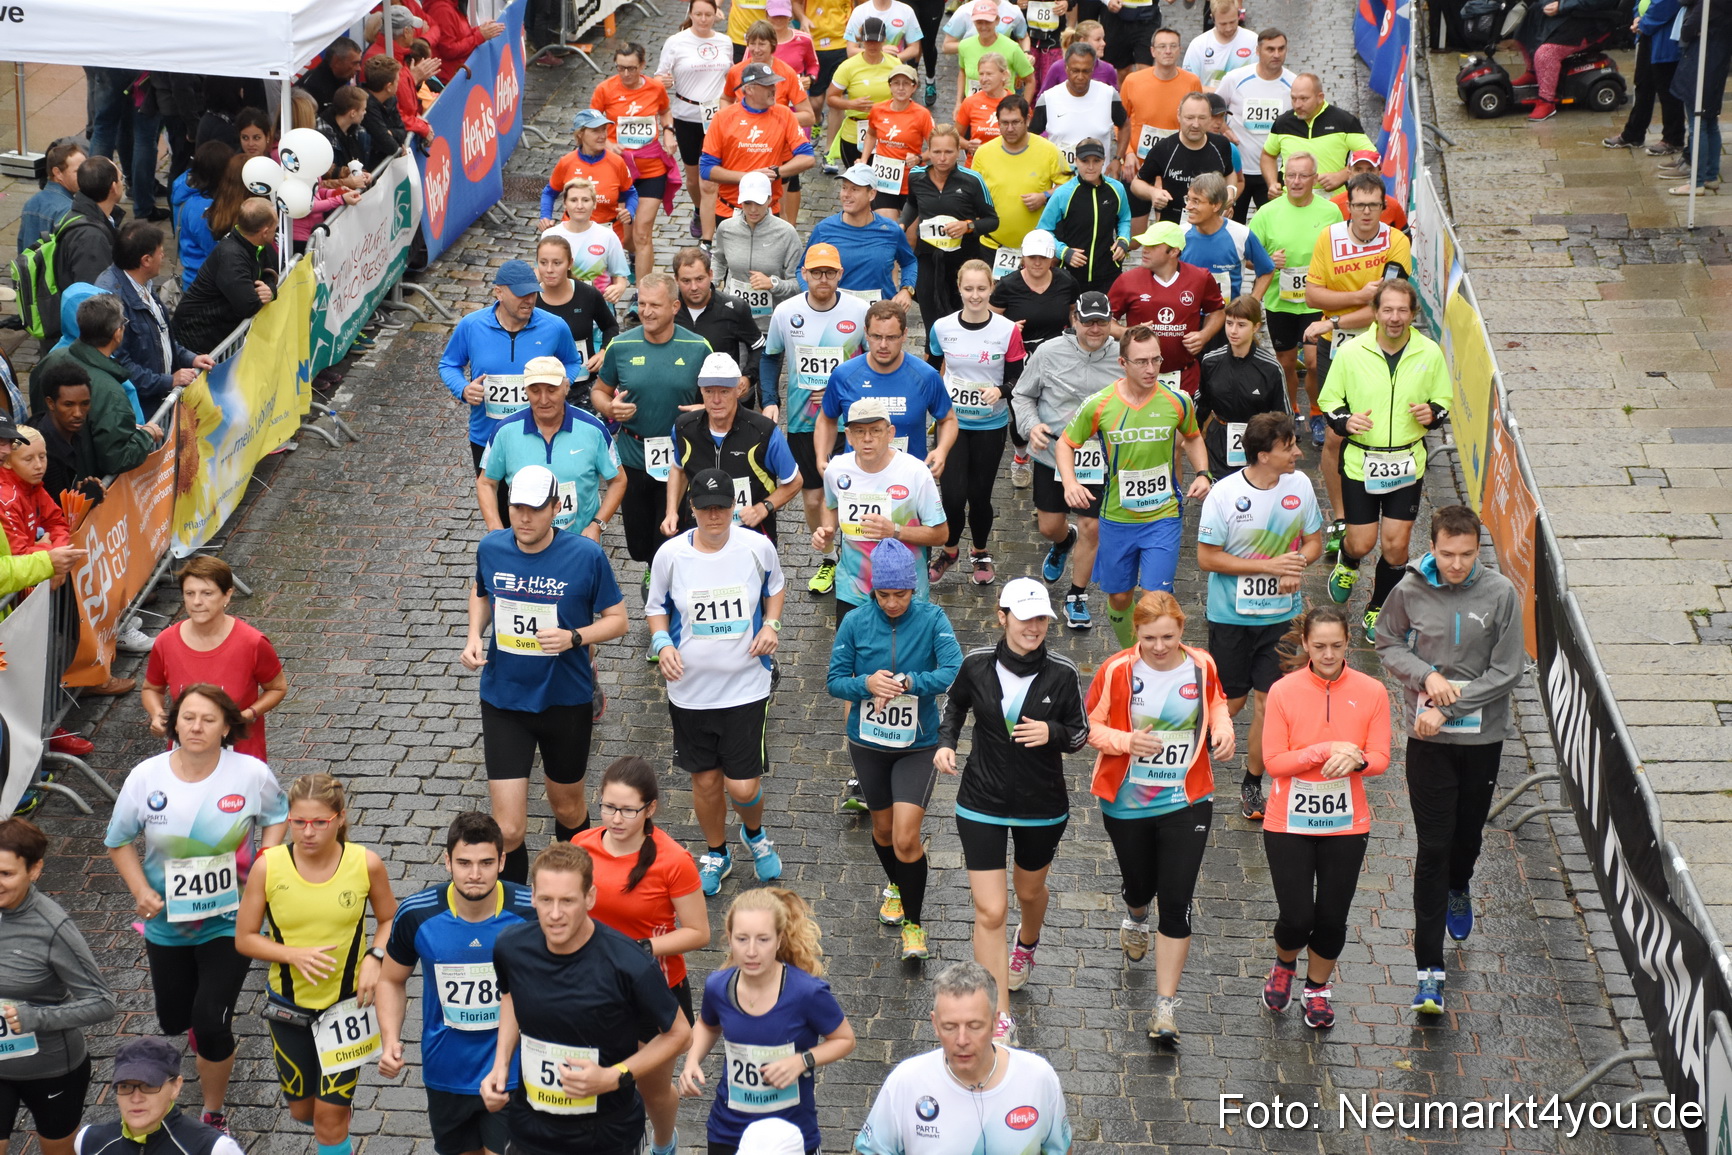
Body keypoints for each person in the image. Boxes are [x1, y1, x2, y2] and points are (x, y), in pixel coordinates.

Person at [105, 684, 284, 1133]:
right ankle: (203, 1028)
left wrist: (265, 860)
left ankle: (212, 1113)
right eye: (187, 717)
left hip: (231, 920)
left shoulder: (250, 773)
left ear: (227, 726)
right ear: (173, 722)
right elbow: (118, 841)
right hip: (168, 925)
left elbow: (277, 815)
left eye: (208, 719)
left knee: (210, 1022)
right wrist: (141, 891)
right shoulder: (147, 777)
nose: (196, 727)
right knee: (175, 1017)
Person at [1375, 505, 1527, 1014]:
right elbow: (1387, 641)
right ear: (1431, 547)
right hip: (1429, 743)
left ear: (1478, 549)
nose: (1457, 564)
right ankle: (1429, 971)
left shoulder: (1501, 594)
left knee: (1467, 838)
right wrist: (1424, 677)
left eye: (1467, 555)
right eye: (1447, 554)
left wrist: (1451, 706)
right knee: (1433, 847)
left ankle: (1461, 885)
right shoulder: (1410, 589)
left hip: (1481, 740)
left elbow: (1508, 671)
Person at [935, 579, 1087, 1045]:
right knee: (990, 908)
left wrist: (1052, 734)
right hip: (980, 802)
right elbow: (955, 707)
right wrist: (945, 744)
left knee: (1029, 890)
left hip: (1041, 808)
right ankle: (998, 1011)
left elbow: (1080, 734)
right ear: (1002, 618)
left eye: (1042, 619)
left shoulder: (1062, 674)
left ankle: (1028, 944)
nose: (1035, 628)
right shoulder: (976, 664)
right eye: (1025, 619)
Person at [462, 466, 630, 882]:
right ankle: (518, 915)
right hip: (504, 699)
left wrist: (574, 637)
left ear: (556, 508)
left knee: (568, 808)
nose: (523, 518)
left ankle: (575, 892)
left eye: (535, 509)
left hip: (565, 699)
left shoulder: (585, 555)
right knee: (510, 829)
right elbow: (482, 593)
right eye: (517, 507)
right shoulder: (492, 548)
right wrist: (473, 635)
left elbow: (618, 620)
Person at [1084, 591, 1233, 1041]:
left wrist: (1223, 728)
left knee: (1177, 899)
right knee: (1140, 885)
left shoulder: (1202, 664)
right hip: (1126, 801)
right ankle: (1134, 914)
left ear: (1182, 630)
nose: (1160, 646)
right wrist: (1127, 742)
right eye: (1150, 638)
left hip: (1186, 799)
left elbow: (1219, 701)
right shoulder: (1116, 670)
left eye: (1168, 636)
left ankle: (1165, 1007)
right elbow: (1088, 726)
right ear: (1137, 633)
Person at [479, 843, 693, 1155]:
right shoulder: (511, 947)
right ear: (533, 896)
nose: (554, 914)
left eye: (567, 901)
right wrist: (500, 1065)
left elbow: (680, 1035)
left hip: (606, 1134)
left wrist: (612, 1077)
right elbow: (510, 996)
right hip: (531, 1128)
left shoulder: (628, 963)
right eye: (546, 900)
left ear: (589, 897)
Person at [234, 773, 397, 1152]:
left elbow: (390, 919)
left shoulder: (365, 864)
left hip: (346, 1009)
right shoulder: (268, 866)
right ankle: (336, 1116)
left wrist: (375, 956)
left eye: (320, 822)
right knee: (302, 1111)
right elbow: (244, 938)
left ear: (340, 818)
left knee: (327, 1120)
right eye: (298, 822)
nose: (308, 832)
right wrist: (292, 954)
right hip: (288, 1009)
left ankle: (336, 1120)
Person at [648, 467, 787, 893]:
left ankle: (755, 833)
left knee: (743, 785)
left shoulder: (756, 547)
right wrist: (661, 643)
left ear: (733, 507)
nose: (714, 517)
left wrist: (772, 626)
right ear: (691, 509)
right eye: (706, 508)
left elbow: (775, 588)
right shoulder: (670, 555)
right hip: (689, 691)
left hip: (746, 685)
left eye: (722, 508)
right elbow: (656, 607)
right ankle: (717, 851)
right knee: (706, 780)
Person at [826, 538, 962, 952]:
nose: (891, 603)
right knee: (883, 832)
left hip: (918, 744)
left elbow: (954, 669)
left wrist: (908, 683)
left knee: (905, 837)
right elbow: (834, 681)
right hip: (867, 744)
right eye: (883, 595)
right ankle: (896, 883)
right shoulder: (855, 623)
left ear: (914, 588)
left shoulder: (933, 618)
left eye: (900, 594)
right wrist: (866, 684)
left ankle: (914, 925)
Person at [1259, 607, 1391, 1030]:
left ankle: (1317, 989)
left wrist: (1355, 760)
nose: (1329, 654)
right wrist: (1326, 749)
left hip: (1346, 824)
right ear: (1305, 645)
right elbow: (1275, 762)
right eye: (1319, 646)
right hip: (1288, 821)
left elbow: (1381, 758)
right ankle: (1284, 964)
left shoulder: (1372, 691)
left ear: (1349, 642)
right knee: (1297, 917)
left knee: (1332, 917)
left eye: (1336, 645)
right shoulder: (1283, 691)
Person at [375, 812, 534, 1155]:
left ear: (503, 861)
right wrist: (390, 1039)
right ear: (447, 861)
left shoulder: (531, 913)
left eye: (486, 863)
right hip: (445, 1071)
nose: (475, 874)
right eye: (464, 863)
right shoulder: (417, 915)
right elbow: (390, 980)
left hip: (512, 1072)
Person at [575, 758, 710, 1155]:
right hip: (593, 988)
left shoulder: (673, 861)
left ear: (650, 808)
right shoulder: (581, 846)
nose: (615, 819)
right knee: (595, 1082)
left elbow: (699, 932)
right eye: (608, 807)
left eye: (628, 810)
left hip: (654, 991)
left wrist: (643, 949)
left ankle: (664, 1145)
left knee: (652, 1092)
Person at [1195, 410, 1321, 826]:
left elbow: (1315, 541)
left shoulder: (1299, 486)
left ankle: (1252, 782)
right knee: (1231, 703)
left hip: (1282, 619)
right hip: (1231, 616)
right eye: (1289, 448)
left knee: (1270, 703)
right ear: (1263, 455)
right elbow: (1206, 557)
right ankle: (1190, 762)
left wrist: (1297, 565)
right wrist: (1270, 568)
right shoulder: (1225, 494)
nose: (1298, 455)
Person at [1056, 324, 1212, 649]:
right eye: (1141, 362)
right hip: (1117, 517)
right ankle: (1130, 650)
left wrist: (1202, 473)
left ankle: (1149, 656)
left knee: (1156, 598)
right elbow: (1065, 444)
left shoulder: (1177, 401)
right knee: (1119, 596)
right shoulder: (1099, 404)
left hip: (1164, 515)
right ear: (1122, 363)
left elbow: (1194, 437)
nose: (1151, 369)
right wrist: (1070, 482)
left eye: (1156, 360)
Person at [678, 889, 856, 1155]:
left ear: (779, 939)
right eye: (742, 939)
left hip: (790, 1135)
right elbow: (707, 1024)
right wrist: (692, 1061)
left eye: (763, 939)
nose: (751, 951)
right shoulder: (718, 985)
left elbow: (845, 1039)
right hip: (729, 1131)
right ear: (729, 938)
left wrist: (801, 1060)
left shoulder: (807, 993)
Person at [1318, 279, 1448, 642]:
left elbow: (1443, 400)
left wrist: (1432, 414)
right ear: (1375, 312)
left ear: (1412, 314)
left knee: (1395, 546)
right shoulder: (1351, 353)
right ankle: (1348, 561)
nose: (1395, 318)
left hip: (1407, 462)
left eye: (1402, 310)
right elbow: (1330, 402)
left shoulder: (1429, 353)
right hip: (1362, 462)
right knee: (1362, 542)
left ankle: (1379, 608)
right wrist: (1346, 421)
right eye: (1387, 310)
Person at [854, 962, 1072, 1154]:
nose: (962, 1040)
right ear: (935, 1023)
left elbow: (1060, 1149)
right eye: (949, 1027)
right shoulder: (906, 1082)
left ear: (996, 1023)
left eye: (974, 1026)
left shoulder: (1038, 1078)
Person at [0, 817, 116, 1155]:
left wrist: (35, 1017)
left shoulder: (53, 927)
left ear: (34, 870)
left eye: (7, 874)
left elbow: (103, 1003)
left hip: (51, 1070)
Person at [759, 243, 870, 594]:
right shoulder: (786, 312)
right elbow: (770, 357)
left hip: (850, 422)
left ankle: (856, 554)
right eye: (816, 272)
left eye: (830, 272)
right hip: (803, 421)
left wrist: (843, 393)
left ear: (840, 274)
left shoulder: (859, 310)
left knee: (852, 492)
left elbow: (874, 363)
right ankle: (829, 558)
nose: (823, 279)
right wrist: (769, 400)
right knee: (812, 498)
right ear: (803, 274)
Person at [1303, 172, 1412, 527]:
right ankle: (1340, 516)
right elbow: (1313, 295)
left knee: (1379, 427)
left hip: (1383, 345)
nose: (1366, 213)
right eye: (1359, 205)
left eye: (1373, 206)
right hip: (1335, 347)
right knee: (1335, 434)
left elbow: (1390, 309)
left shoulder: (1396, 242)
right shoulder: (1328, 237)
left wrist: (1335, 320)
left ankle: (1381, 504)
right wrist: (1359, 297)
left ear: (1384, 207)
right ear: (1348, 206)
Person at [591, 273, 712, 578]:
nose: (646, 312)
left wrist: (706, 407)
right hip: (633, 454)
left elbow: (724, 394)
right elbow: (599, 392)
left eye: (655, 305)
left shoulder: (697, 347)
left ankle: (663, 579)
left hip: (680, 456)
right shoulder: (621, 346)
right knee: (638, 541)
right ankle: (650, 563)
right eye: (642, 304)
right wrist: (610, 407)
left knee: (671, 529)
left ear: (674, 306)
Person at [1013, 292, 1118, 628]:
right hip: (1052, 453)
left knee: (1092, 526)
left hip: (1098, 456)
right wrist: (1032, 427)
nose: (1095, 328)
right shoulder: (1048, 352)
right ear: (1075, 320)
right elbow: (1022, 394)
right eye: (1088, 321)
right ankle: (1062, 541)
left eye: (1102, 321)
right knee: (1049, 526)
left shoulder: (1122, 357)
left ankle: (1077, 595)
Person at [926, 260, 1023, 586]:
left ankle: (980, 551)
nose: (975, 295)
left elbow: (1016, 378)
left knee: (979, 497)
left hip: (989, 426)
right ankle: (950, 550)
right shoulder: (942, 328)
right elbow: (932, 368)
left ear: (991, 288)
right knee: (952, 496)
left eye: (982, 288)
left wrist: (1000, 390)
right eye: (969, 288)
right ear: (960, 288)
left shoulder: (1007, 330)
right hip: (952, 423)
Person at [440, 260, 586, 473]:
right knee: (493, 501)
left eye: (533, 293)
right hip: (487, 436)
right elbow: (449, 364)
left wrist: (563, 384)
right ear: (499, 292)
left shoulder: (555, 326)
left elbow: (572, 362)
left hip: (539, 435)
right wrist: (463, 388)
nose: (529, 300)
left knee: (537, 503)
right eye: (521, 294)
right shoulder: (471, 325)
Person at [811, 398, 949, 622]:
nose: (867, 439)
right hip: (853, 590)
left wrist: (895, 531)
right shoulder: (836, 469)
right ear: (848, 436)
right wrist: (827, 529)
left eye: (875, 430)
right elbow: (832, 506)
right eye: (859, 431)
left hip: (905, 592)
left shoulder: (915, 472)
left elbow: (941, 534)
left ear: (890, 433)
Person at [141, 559, 286, 762]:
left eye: (207, 593)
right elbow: (151, 688)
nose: (197, 602)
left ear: (227, 594)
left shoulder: (252, 643)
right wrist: (157, 714)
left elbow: (277, 688)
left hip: (239, 754)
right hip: (186, 756)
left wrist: (247, 715)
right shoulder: (166, 641)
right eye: (189, 593)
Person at [479, 356, 624, 539]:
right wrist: (495, 530)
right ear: (525, 391)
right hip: (526, 546)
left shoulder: (593, 430)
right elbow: (486, 482)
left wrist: (597, 525)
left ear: (566, 388)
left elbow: (618, 480)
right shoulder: (505, 431)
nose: (544, 399)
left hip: (578, 545)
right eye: (535, 391)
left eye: (551, 390)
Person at [665, 353, 801, 542]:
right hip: (700, 533)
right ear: (701, 392)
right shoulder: (683, 428)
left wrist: (764, 508)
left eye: (724, 391)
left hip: (752, 535)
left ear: (738, 390)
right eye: (709, 391)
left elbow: (794, 481)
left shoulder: (764, 432)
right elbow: (678, 469)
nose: (716, 400)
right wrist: (671, 511)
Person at [1246, 151, 1339, 426]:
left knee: (1312, 362)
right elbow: (1249, 258)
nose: (1296, 181)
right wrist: (1268, 261)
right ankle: (1291, 410)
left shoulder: (1330, 211)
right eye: (1290, 175)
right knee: (1285, 363)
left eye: (1303, 176)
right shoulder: (1267, 212)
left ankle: (1317, 411)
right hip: (1280, 300)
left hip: (1316, 301)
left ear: (1314, 179)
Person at [31, 293, 161, 478]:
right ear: (117, 333)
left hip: (46, 473)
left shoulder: (52, 358)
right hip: (81, 491)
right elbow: (116, 458)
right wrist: (146, 435)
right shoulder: (111, 392)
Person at [816, 302, 955, 473]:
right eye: (876, 336)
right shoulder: (844, 375)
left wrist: (941, 451)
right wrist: (822, 457)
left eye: (891, 337)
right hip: (857, 478)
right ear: (866, 333)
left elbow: (948, 419)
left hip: (908, 479)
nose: (883, 345)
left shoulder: (926, 376)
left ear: (904, 335)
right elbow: (826, 419)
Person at [95, 222, 214, 415]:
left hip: (154, 402)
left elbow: (160, 337)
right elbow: (120, 366)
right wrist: (169, 381)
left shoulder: (144, 284)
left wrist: (191, 358)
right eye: (160, 252)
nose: (164, 256)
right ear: (146, 260)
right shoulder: (113, 302)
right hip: (140, 411)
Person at [72, 1036, 246, 1155]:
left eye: (149, 1085)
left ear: (176, 1086)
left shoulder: (214, 1149)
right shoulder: (87, 1141)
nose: (136, 1098)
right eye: (125, 1086)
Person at [1108, 221, 1222, 397]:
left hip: (1185, 377)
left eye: (1153, 246)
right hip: (1137, 379)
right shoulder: (1127, 280)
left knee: (1187, 424)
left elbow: (1217, 311)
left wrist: (1204, 335)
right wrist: (1128, 332)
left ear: (1174, 251)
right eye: (1145, 244)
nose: (1144, 249)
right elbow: (1105, 321)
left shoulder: (1200, 277)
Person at [702, 61, 815, 238]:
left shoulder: (784, 114)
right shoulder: (723, 118)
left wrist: (777, 172)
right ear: (749, 89)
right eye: (767, 84)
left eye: (774, 83)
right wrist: (749, 178)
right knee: (733, 265)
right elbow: (707, 169)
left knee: (769, 265)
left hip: (769, 210)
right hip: (731, 211)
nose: (774, 89)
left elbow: (807, 157)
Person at [593, 43, 674, 281]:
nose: (626, 74)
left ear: (642, 65)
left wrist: (668, 131)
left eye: (631, 69)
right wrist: (607, 143)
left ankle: (642, 296)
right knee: (626, 237)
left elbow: (665, 110)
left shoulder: (656, 88)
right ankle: (632, 256)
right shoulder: (604, 89)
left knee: (642, 233)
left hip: (651, 169)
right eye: (621, 68)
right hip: (619, 172)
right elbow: (591, 124)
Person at [656, 0, 733, 242]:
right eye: (698, 14)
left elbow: (731, 75)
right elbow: (658, 77)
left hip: (718, 116)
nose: (703, 19)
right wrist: (662, 81)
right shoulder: (676, 42)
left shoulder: (725, 41)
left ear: (716, 15)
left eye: (707, 14)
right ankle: (700, 210)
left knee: (714, 172)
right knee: (693, 176)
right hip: (686, 115)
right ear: (690, 14)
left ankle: (718, 215)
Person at [170, 196, 277, 355]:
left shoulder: (257, 245)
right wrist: (267, 292)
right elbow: (247, 305)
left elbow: (270, 270)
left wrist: (270, 289)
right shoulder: (231, 256)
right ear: (265, 231)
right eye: (275, 227)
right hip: (197, 340)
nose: (276, 231)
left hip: (220, 335)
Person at [1196, 296, 1288, 480]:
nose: (1233, 331)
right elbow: (1201, 404)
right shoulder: (1210, 361)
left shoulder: (1270, 368)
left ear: (1256, 327)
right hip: (1219, 442)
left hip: (1258, 444)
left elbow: (1283, 417)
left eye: (1241, 325)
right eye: (1229, 323)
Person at [1118, 29, 1204, 224]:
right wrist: (1128, 153)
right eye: (1162, 46)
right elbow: (1119, 123)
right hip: (1138, 165)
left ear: (1180, 50)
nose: (1168, 51)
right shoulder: (1132, 81)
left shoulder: (1191, 82)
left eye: (1173, 46)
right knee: (1133, 238)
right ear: (1152, 51)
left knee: (1170, 230)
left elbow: (1199, 123)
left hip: (1176, 168)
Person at [802, 165, 918, 306]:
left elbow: (909, 262)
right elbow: (802, 267)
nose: (846, 194)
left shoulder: (891, 230)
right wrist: (811, 295)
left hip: (880, 316)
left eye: (854, 189)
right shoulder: (824, 229)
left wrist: (906, 289)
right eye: (844, 188)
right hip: (837, 313)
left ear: (872, 194)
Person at [972, 95, 1066, 269]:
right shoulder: (983, 154)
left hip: (1036, 249)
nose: (1009, 128)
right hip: (992, 244)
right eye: (1004, 123)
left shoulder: (1049, 151)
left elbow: (1068, 188)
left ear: (1028, 120)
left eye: (1016, 122)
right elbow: (972, 194)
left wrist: (1044, 196)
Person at [1214, 27, 1293, 218]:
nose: (1276, 54)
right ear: (1257, 51)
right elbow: (1213, 108)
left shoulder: (1293, 83)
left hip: (1274, 173)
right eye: (1270, 49)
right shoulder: (1235, 79)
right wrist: (1223, 128)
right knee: (1232, 225)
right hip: (1237, 169)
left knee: (1273, 227)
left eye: (1281, 49)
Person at [1035, 138, 1130, 295]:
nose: (1091, 167)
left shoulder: (1117, 189)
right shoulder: (1063, 193)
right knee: (1072, 319)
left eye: (1096, 161)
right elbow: (1043, 231)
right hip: (1070, 275)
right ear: (1075, 161)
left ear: (1104, 161)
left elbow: (1124, 218)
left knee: (1106, 318)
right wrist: (1064, 252)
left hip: (1108, 272)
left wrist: (1123, 240)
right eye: (1085, 161)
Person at [1132, 91, 1237, 226]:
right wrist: (1153, 193)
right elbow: (1137, 183)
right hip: (1174, 226)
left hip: (1211, 226)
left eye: (1202, 118)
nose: (1196, 124)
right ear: (1179, 116)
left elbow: (1230, 173)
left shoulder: (1221, 145)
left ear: (1210, 118)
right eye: (1190, 118)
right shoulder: (1164, 148)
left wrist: (1230, 191)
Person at [712, 172, 804, 326]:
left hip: (771, 323)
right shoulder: (726, 228)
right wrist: (710, 284)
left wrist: (773, 283)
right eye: (747, 203)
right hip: (733, 319)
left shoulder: (786, 233)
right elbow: (719, 260)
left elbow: (799, 283)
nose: (753, 209)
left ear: (769, 199)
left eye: (759, 202)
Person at [1259, 74, 1376, 195]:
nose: (1297, 105)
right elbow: (1268, 155)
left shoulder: (1344, 121)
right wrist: (1272, 183)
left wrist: (1342, 175)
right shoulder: (1283, 122)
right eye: (1293, 98)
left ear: (1320, 97)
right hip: (1291, 198)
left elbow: (1371, 156)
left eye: (1304, 99)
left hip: (1333, 200)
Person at [1179, 173, 1274, 319]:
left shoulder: (1241, 234)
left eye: (1196, 201)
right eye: (1188, 199)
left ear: (1216, 205)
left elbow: (1267, 270)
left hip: (1227, 322)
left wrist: (1251, 304)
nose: (1188, 206)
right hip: (1188, 320)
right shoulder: (1179, 235)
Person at [672, 248, 764, 396]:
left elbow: (759, 347)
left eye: (699, 279)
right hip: (679, 400)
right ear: (676, 280)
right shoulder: (668, 310)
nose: (694, 287)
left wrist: (747, 378)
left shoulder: (734, 308)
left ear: (710, 275)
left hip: (721, 400)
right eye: (686, 281)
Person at [1515, 0, 1626, 121]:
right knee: (1524, 29)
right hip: (1568, 12)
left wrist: (1562, 5)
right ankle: (1533, 72)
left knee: (1546, 54)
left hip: (1589, 19)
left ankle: (1547, 101)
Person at [539, 111, 638, 243]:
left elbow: (631, 194)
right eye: (596, 131)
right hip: (573, 234)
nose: (602, 136)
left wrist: (629, 211)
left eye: (604, 130)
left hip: (608, 236)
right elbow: (549, 192)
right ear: (580, 133)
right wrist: (545, 217)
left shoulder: (617, 162)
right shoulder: (566, 162)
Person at [532, 236, 619, 379]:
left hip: (583, 383)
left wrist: (604, 352)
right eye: (543, 262)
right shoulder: (530, 299)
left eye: (557, 263)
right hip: (543, 386)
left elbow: (611, 327)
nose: (549, 269)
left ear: (569, 263)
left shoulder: (588, 294)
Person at [1605, 0, 1685, 155]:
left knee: (1667, 90)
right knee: (1643, 86)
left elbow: (1666, 5)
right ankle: (1633, 133)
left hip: (1664, 38)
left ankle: (1673, 139)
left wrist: (1643, 24)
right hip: (1647, 35)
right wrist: (1636, 16)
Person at [986, 228, 1078, 361]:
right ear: (1023, 256)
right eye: (1032, 257)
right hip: (1020, 355)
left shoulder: (1067, 281)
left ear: (1052, 257)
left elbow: (1073, 310)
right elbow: (988, 318)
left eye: (1043, 257)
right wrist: (1007, 329)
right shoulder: (1007, 285)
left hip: (1059, 355)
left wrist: (1075, 330)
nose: (1037, 263)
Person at [1030, 45, 1125, 172]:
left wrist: (1118, 159)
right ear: (1066, 68)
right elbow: (1031, 137)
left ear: (1093, 70)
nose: (1080, 76)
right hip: (1060, 184)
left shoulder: (1109, 95)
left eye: (1085, 71)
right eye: (1075, 71)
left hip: (1099, 182)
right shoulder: (1048, 99)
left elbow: (1125, 125)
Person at [863, 64, 935, 219]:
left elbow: (936, 148)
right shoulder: (877, 110)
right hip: (883, 182)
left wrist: (919, 158)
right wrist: (863, 160)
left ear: (914, 87)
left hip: (910, 182)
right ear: (890, 86)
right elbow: (870, 134)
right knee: (887, 229)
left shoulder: (922, 114)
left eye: (906, 83)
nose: (901, 88)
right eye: (896, 83)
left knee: (909, 238)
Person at [827, 18, 899, 170]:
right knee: (857, 183)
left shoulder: (895, 65)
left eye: (876, 41)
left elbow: (906, 95)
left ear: (884, 40)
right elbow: (831, 98)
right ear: (861, 41)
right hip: (854, 132)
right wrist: (850, 104)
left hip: (887, 132)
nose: (872, 45)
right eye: (868, 41)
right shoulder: (848, 67)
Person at [541, 180, 633, 296]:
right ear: (565, 203)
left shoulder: (608, 236)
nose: (579, 206)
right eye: (573, 200)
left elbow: (620, 275)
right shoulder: (550, 235)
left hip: (598, 306)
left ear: (594, 203)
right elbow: (540, 272)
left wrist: (619, 287)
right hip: (559, 304)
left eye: (585, 200)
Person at [28, 365, 100, 504]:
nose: (78, 413)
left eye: (85, 404)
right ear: (51, 403)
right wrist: (85, 499)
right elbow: (56, 510)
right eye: (68, 405)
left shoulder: (73, 432)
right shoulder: (44, 456)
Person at [172, 142, 230, 290]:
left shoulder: (184, 188)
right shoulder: (202, 210)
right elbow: (214, 251)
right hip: (204, 285)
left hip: (193, 278)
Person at [955, 2, 1037, 105]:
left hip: (1003, 112)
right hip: (972, 110)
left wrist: (1023, 109)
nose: (983, 27)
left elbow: (1030, 80)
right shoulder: (964, 45)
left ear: (997, 21)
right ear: (974, 22)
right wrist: (958, 103)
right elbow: (962, 72)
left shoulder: (1012, 48)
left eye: (988, 22)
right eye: (979, 22)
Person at [17, 141, 83, 256]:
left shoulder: (31, 203)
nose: (85, 174)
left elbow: (22, 247)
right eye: (78, 171)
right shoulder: (68, 210)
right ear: (57, 173)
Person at [1182, 0, 1258, 86]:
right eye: (1223, 24)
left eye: (1232, 22)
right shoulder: (1198, 45)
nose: (1228, 28)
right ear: (1212, 18)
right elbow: (1189, 85)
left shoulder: (1253, 41)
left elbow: (1259, 80)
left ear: (1239, 15)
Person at [1328, 150, 1408, 231]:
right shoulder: (1334, 206)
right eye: (1358, 170)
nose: (1364, 174)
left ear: (1379, 173)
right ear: (1349, 173)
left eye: (1370, 170)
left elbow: (1405, 239)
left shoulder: (1393, 206)